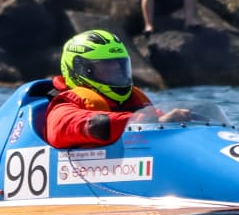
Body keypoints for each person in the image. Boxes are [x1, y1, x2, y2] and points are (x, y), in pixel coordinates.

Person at [43, 30, 188, 149]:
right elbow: (70, 127)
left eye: (119, 63)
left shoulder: (134, 98)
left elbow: (162, 121)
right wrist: (143, 121)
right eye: (106, 64)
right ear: (80, 69)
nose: (117, 68)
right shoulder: (66, 103)